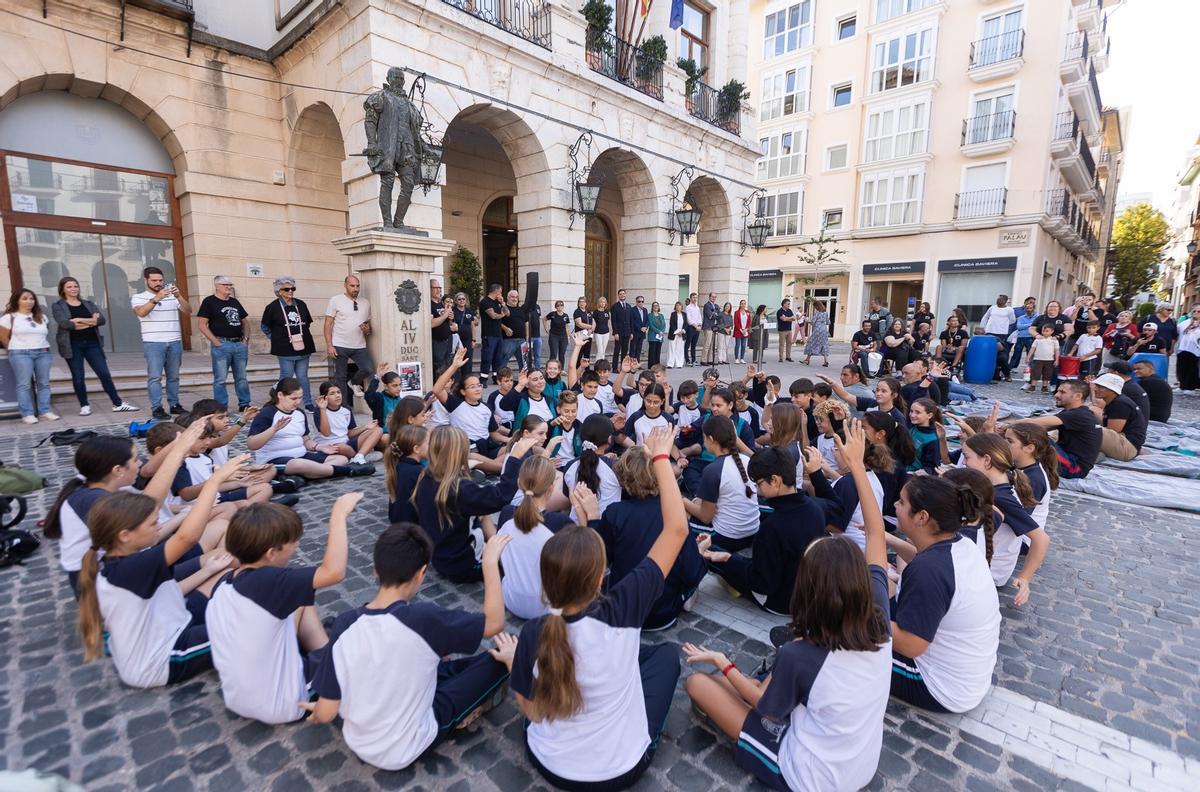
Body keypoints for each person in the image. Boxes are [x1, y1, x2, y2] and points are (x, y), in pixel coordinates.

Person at [684, 420, 892, 792]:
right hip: (862, 762)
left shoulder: (800, 652)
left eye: (761, 485)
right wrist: (857, 467)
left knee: (702, 684)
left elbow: (765, 705)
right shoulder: (879, 618)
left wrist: (723, 662)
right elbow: (876, 537)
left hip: (808, 773)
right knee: (754, 682)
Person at [503, 427, 685, 790]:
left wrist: (514, 661)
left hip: (550, 762)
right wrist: (662, 457)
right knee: (665, 656)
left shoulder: (535, 632)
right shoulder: (626, 605)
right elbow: (677, 530)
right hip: (620, 769)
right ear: (600, 574)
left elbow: (533, 711)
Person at [304, 523, 511, 769]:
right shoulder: (423, 620)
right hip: (407, 745)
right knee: (498, 661)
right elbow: (494, 623)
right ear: (421, 573)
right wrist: (489, 564)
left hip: (358, 741)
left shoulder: (344, 624)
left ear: (375, 570)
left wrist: (317, 713)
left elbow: (326, 712)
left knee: (446, 665)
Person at [75, 453, 245, 688]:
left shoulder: (122, 558)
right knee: (255, 620)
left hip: (174, 620)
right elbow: (187, 537)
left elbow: (168, 592)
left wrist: (208, 572)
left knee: (228, 571)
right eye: (153, 524)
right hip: (163, 658)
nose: (159, 529)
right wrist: (215, 481)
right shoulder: (130, 568)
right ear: (125, 536)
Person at [207, 495, 363, 724]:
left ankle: (323, 651)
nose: (294, 551)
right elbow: (334, 572)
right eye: (293, 546)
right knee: (359, 638)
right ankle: (327, 663)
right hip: (286, 701)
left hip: (237, 698)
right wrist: (338, 516)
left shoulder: (226, 583)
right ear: (271, 553)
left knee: (300, 596)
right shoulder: (272, 583)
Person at [889, 475, 1001, 713]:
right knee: (879, 588)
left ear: (922, 517)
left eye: (901, 502)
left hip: (939, 688)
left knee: (842, 637)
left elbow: (911, 646)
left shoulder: (929, 569)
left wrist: (858, 616)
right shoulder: (961, 545)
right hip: (969, 679)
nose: (895, 506)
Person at [698, 446, 828, 615]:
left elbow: (762, 583)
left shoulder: (774, 526)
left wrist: (730, 562)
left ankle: (685, 591)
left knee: (707, 550)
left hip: (778, 602)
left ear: (775, 480)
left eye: (759, 484)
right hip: (805, 596)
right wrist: (731, 558)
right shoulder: (815, 508)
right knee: (722, 555)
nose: (757, 491)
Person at [597, 446, 706, 631]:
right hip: (663, 613)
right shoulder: (674, 515)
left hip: (624, 608)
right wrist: (700, 552)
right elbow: (692, 572)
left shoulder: (615, 513)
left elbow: (602, 560)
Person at [414, 425, 538, 582]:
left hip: (442, 556)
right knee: (521, 562)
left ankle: (497, 546)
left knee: (483, 513)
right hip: (463, 564)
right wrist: (514, 458)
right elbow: (501, 496)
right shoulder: (459, 489)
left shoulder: (426, 477)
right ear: (459, 454)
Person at [962, 434, 1049, 604]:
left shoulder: (1001, 497)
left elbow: (1041, 539)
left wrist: (1024, 578)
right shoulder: (1002, 482)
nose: (964, 463)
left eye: (966, 457)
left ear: (987, 460)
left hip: (990, 571)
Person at [247, 378, 375, 480]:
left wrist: (320, 447)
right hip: (274, 459)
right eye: (293, 398)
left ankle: (305, 474)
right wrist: (274, 429)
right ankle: (349, 471)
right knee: (299, 465)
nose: (298, 402)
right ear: (280, 395)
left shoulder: (300, 413)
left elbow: (306, 440)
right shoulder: (266, 413)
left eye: (300, 398)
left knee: (341, 459)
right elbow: (252, 444)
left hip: (301, 455)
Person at [496, 456, 574, 619]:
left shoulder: (506, 513)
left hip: (511, 599)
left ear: (519, 483)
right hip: (547, 607)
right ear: (551, 487)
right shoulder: (561, 523)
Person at [51, 277, 136, 416]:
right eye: (69, 287)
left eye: (75, 286)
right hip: (72, 345)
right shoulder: (58, 306)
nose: (73, 289)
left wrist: (79, 320)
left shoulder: (88, 303)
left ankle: (118, 403)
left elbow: (101, 320)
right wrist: (91, 321)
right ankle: (84, 405)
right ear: (63, 289)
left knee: (104, 374)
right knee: (78, 376)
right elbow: (66, 324)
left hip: (92, 343)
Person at [683, 415, 759, 552]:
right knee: (696, 502)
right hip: (753, 531)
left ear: (711, 439)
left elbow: (706, 517)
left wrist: (682, 501)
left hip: (727, 537)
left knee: (681, 513)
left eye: (704, 438)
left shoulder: (713, 469)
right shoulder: (745, 460)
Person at [132, 266, 191, 419]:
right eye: (154, 280)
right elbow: (142, 312)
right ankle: (157, 407)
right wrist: (157, 297)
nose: (158, 283)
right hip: (153, 343)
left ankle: (174, 405)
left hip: (174, 342)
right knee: (155, 377)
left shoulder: (171, 296)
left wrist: (179, 296)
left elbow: (188, 310)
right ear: (146, 280)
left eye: (160, 280)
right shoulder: (138, 297)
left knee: (173, 376)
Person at [1015, 380, 1102, 479]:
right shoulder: (1073, 412)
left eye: (1062, 392)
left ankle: (1012, 460)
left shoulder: (1078, 415)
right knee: (1028, 432)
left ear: (1078, 396)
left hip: (1074, 469)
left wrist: (1004, 427)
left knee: (1035, 435)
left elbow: (1030, 423)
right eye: (1058, 391)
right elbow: (1042, 427)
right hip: (1070, 460)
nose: (1056, 395)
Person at [1, 288, 59, 423]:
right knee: (24, 384)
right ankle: (27, 413)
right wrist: (14, 350)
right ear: (17, 300)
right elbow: (4, 338)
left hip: (43, 352)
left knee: (44, 383)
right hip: (20, 353)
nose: (29, 301)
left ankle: (45, 410)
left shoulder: (42, 317)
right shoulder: (9, 317)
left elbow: (45, 333)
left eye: (31, 298)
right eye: (25, 298)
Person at [196, 275, 252, 411]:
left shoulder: (235, 302)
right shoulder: (209, 302)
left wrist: (245, 340)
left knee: (241, 378)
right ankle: (221, 407)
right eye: (225, 285)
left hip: (239, 344)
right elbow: (202, 324)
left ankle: (244, 404)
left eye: (230, 284)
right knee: (220, 379)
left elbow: (245, 322)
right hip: (222, 344)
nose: (228, 287)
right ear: (216, 286)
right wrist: (216, 342)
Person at [261, 276, 316, 410]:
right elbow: (265, 326)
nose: (290, 291)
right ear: (279, 291)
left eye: (293, 288)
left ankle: (308, 403)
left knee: (303, 377)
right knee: (286, 377)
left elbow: (307, 323)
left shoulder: (301, 304)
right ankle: (280, 401)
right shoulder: (272, 307)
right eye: (287, 289)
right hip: (285, 348)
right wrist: (275, 338)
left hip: (304, 346)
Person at [324, 274, 374, 402]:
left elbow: (367, 325)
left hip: (359, 345)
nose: (355, 288)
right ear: (345, 285)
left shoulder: (365, 302)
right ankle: (344, 406)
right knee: (340, 377)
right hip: (340, 344)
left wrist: (367, 329)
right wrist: (329, 345)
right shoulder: (335, 300)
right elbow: (328, 323)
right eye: (352, 286)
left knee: (367, 369)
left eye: (357, 286)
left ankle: (353, 382)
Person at [315, 382, 384, 464]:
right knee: (341, 447)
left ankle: (359, 457)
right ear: (324, 397)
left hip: (346, 442)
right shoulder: (319, 410)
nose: (337, 395)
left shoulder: (346, 409)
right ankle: (361, 456)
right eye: (332, 393)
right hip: (330, 446)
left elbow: (349, 433)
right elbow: (326, 433)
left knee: (378, 430)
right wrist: (322, 410)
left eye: (338, 392)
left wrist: (366, 427)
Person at [1090, 373, 1147, 462]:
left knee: (1087, 426)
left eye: (1100, 387)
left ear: (1112, 390)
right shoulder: (1115, 401)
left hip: (1127, 447)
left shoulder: (1120, 404)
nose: (1095, 389)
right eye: (1096, 386)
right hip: (1126, 444)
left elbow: (1113, 431)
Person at [980, 295, 1016, 381]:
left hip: (1001, 334)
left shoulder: (1009, 310)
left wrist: (1003, 325)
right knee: (990, 354)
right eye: (998, 299)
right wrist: (983, 328)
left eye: (1001, 299)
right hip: (989, 332)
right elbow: (985, 317)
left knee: (1001, 355)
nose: (999, 300)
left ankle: (1006, 374)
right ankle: (992, 374)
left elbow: (1012, 320)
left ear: (1006, 301)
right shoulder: (992, 308)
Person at [479, 283, 508, 385]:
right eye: (500, 292)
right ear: (496, 291)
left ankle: (496, 378)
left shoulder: (498, 302)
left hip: (498, 334)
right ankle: (483, 380)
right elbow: (493, 316)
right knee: (487, 357)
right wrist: (501, 315)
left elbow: (507, 313)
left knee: (498, 358)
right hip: (489, 334)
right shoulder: (485, 302)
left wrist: (503, 303)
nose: (501, 294)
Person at [499, 289, 530, 371]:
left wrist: (527, 340)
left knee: (524, 364)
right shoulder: (503, 309)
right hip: (508, 341)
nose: (514, 299)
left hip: (522, 341)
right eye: (512, 297)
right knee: (503, 362)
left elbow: (526, 324)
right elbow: (497, 322)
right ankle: (501, 379)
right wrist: (505, 328)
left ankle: (522, 381)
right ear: (508, 297)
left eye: (516, 297)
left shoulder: (522, 310)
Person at [1025, 323, 1060, 393]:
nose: (1044, 332)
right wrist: (1028, 357)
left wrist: (1056, 360)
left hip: (1049, 360)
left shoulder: (1054, 340)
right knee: (1035, 373)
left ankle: (1044, 387)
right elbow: (1032, 349)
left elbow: (1057, 351)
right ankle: (1033, 386)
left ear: (1052, 331)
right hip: (1038, 359)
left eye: (1047, 331)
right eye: (1043, 331)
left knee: (1047, 374)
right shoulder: (1038, 339)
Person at [1007, 297, 1039, 370]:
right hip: (1020, 337)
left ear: (1033, 308)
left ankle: (1031, 368)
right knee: (1016, 353)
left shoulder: (1037, 317)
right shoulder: (1021, 317)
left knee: (1030, 354)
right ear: (1025, 309)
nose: (1028, 309)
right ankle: (1011, 368)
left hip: (1031, 337)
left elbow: (1037, 326)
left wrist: (1029, 325)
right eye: (1027, 308)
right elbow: (1019, 327)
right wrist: (1031, 324)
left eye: (1030, 308)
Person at [451, 292, 478, 375]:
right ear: (456, 301)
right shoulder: (453, 311)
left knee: (468, 359)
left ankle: (467, 378)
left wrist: (474, 339)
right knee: (457, 358)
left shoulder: (469, 311)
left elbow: (473, 326)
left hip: (468, 339)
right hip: (457, 339)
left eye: (463, 299)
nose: (461, 301)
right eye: (459, 299)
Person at [1177, 303, 1200, 391]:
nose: (1196, 313)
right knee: (1181, 368)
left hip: (1196, 350)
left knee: (1192, 369)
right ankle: (1182, 385)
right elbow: (1178, 333)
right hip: (1183, 348)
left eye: (1199, 311)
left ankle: (1190, 387)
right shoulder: (1184, 323)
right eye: (1194, 311)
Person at [802, 300, 830, 366]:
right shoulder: (825, 313)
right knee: (824, 344)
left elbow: (813, 322)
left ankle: (807, 360)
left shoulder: (817, 312)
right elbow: (828, 322)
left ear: (817, 306)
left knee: (811, 343)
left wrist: (807, 320)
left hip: (817, 330)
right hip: (824, 330)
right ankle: (826, 361)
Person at [610, 289, 633, 367]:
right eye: (620, 294)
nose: (622, 295)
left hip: (627, 332)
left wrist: (631, 332)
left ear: (625, 295)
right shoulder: (614, 306)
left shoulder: (629, 306)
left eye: (623, 294)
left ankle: (623, 367)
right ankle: (615, 367)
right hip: (619, 333)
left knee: (625, 351)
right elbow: (614, 321)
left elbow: (631, 320)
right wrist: (615, 332)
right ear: (618, 295)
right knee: (617, 351)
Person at [545, 299, 570, 366]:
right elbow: (544, 319)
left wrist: (568, 337)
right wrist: (546, 329)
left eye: (561, 305)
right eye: (558, 305)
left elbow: (567, 327)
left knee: (562, 354)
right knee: (553, 353)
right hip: (554, 336)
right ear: (556, 307)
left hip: (563, 336)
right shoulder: (552, 314)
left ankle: (561, 369)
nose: (560, 307)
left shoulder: (566, 316)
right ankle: (551, 367)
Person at [572, 296, 595, 361]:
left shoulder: (588, 312)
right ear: (578, 303)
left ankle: (586, 370)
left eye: (583, 302)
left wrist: (592, 329)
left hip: (589, 334)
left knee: (587, 353)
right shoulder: (577, 312)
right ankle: (577, 369)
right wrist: (590, 327)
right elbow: (579, 324)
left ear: (586, 303)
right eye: (580, 302)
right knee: (579, 353)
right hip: (580, 335)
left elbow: (593, 321)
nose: (582, 303)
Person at [645, 301, 666, 367]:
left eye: (657, 305)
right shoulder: (649, 315)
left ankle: (657, 366)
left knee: (658, 352)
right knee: (652, 352)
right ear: (652, 307)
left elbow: (664, 325)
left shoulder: (661, 315)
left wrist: (662, 332)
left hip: (660, 336)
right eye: (654, 305)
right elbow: (651, 325)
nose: (656, 307)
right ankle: (651, 366)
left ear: (659, 307)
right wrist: (658, 332)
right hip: (652, 336)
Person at [685, 292, 703, 366]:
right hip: (691, 328)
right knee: (687, 344)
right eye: (693, 297)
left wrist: (699, 325)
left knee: (694, 345)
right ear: (691, 298)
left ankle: (694, 359)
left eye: (696, 297)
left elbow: (699, 317)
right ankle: (687, 360)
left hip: (697, 328)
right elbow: (689, 319)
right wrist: (695, 326)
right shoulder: (688, 307)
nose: (695, 299)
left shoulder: (697, 307)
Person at [776, 298, 795, 362]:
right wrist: (789, 318)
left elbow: (794, 318)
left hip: (789, 330)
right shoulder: (779, 311)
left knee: (789, 344)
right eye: (788, 304)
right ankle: (781, 358)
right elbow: (783, 319)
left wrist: (787, 318)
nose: (789, 305)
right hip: (782, 330)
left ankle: (788, 357)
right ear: (784, 304)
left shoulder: (789, 310)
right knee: (782, 344)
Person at [732, 300, 751, 364]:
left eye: (744, 304)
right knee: (737, 345)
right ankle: (736, 358)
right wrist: (741, 330)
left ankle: (742, 358)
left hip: (745, 331)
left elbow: (749, 322)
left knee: (743, 345)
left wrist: (746, 329)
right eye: (742, 304)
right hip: (738, 331)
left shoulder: (748, 312)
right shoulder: (736, 312)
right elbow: (736, 322)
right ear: (740, 304)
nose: (743, 305)